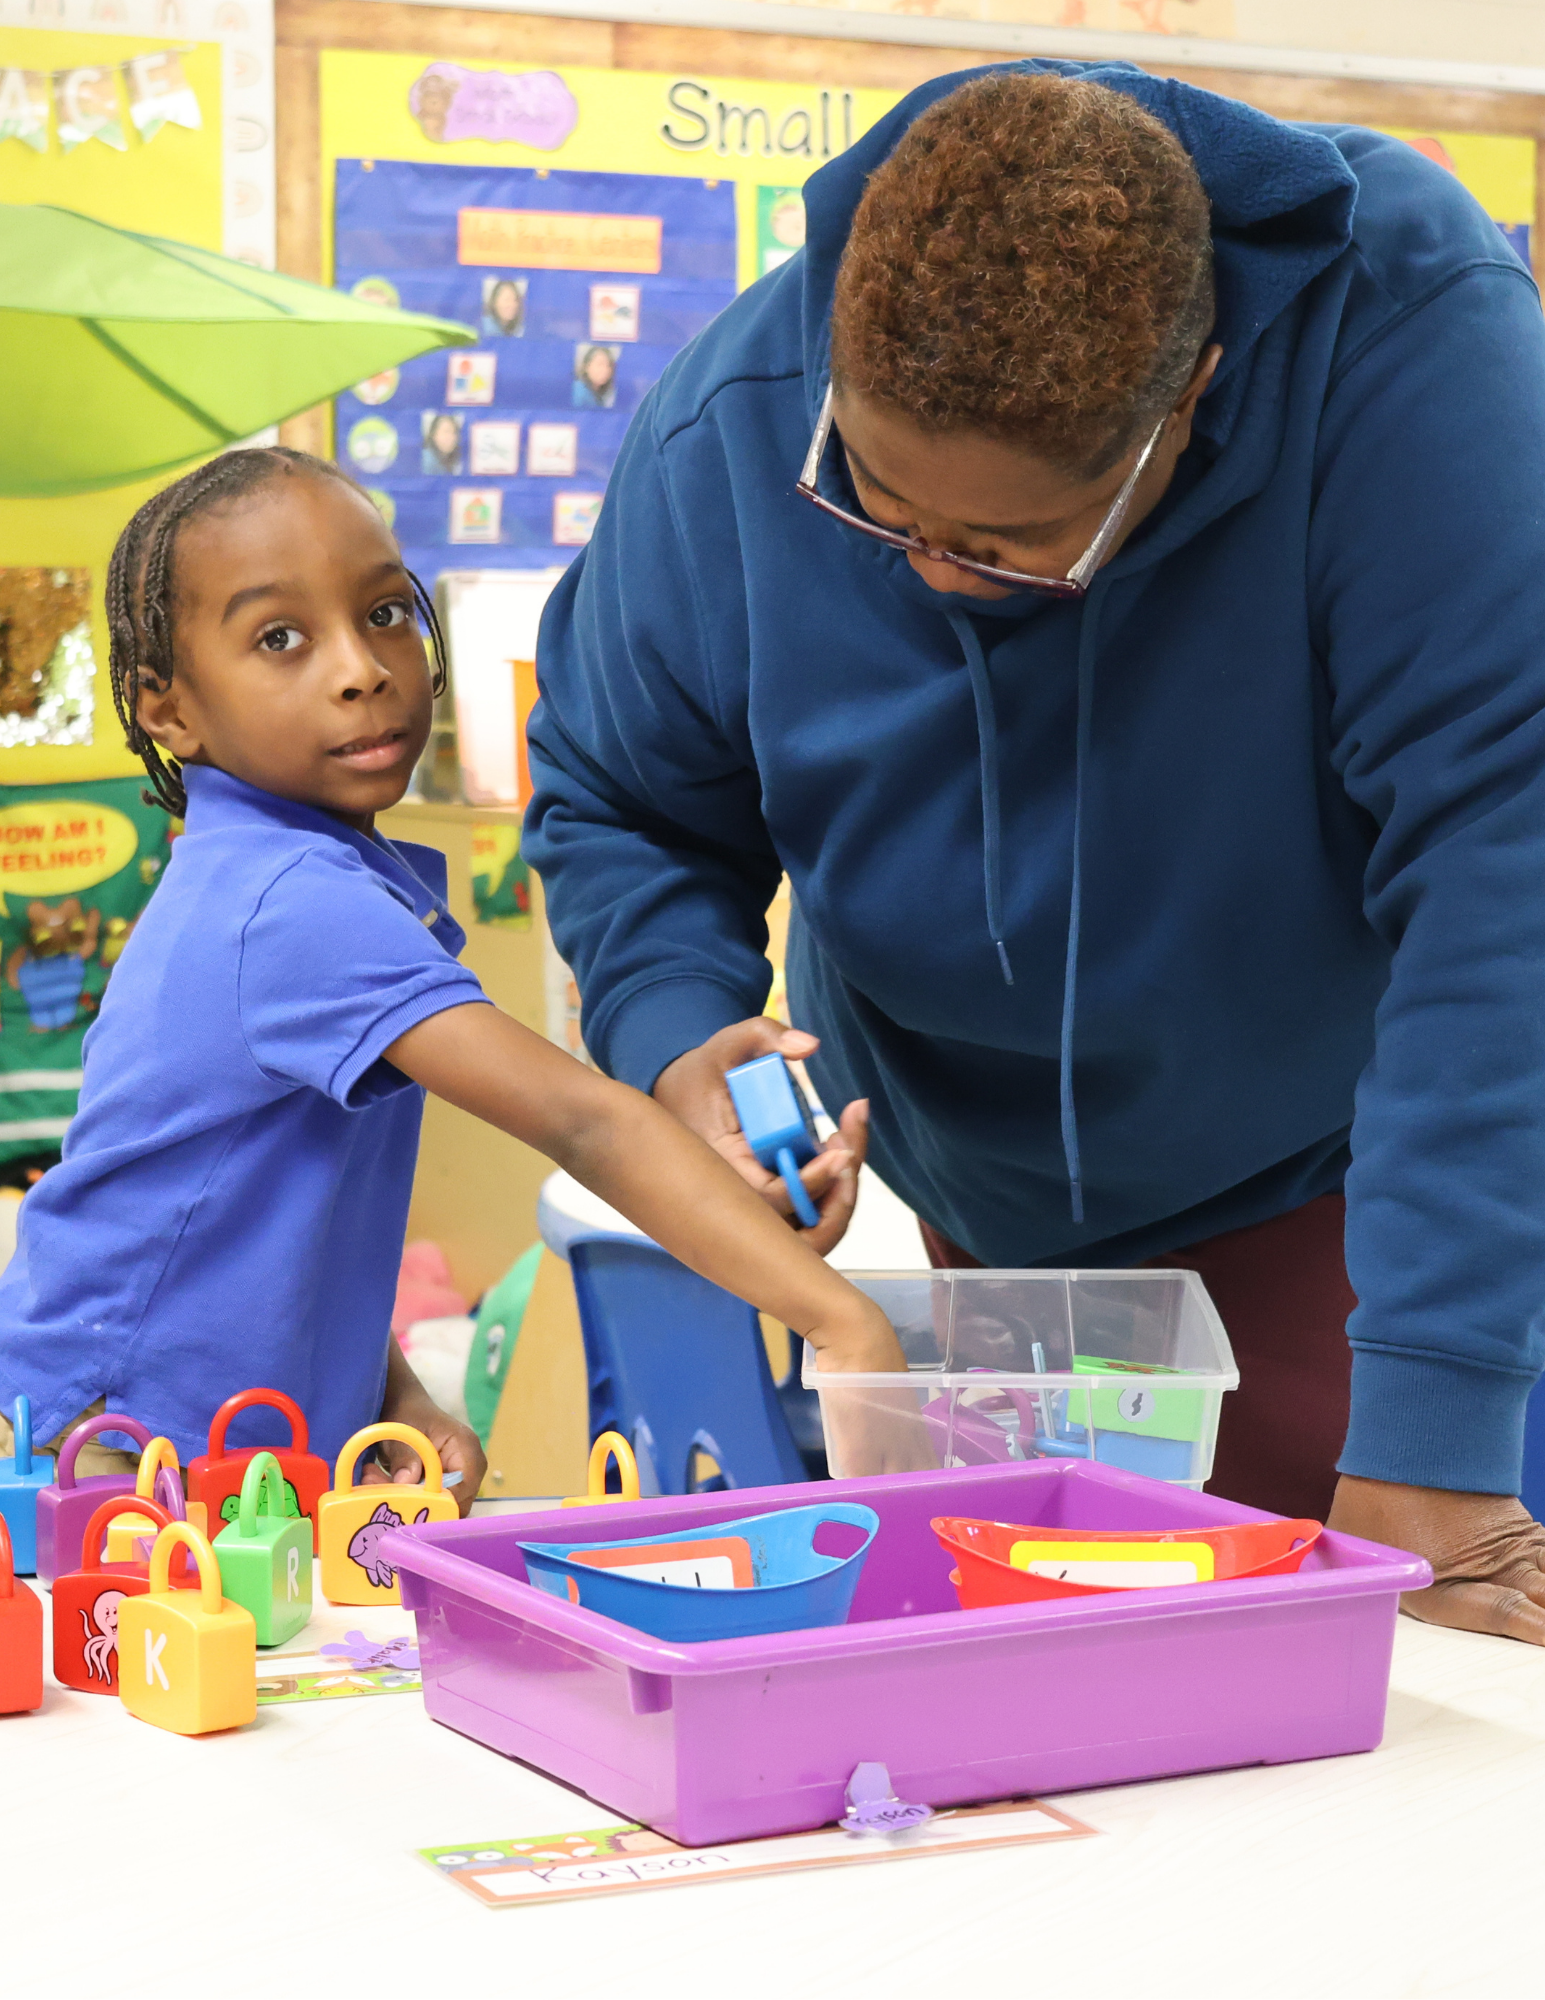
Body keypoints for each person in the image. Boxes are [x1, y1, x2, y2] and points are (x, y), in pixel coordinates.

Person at [528, 64, 1545, 1641]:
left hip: (1340, 1194)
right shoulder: (745, 404)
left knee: (1373, 1718)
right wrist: (675, 1033)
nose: (931, 574)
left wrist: (1433, 1426)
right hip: (962, 1210)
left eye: (1006, 551)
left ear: (1187, 401)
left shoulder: (1411, 352)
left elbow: (1506, 885)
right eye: (876, 507)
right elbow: (622, 796)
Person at [0, 448, 906, 1505]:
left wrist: (387, 1391)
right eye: (279, 638)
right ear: (170, 711)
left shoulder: (280, 872)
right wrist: (839, 1316)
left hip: (195, 1439)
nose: (362, 667)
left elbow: (251, 1215)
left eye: (387, 612)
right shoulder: (293, 898)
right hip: (105, 1446)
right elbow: (588, 1124)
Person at [572, 344, 618, 410]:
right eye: (600, 364)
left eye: (608, 365)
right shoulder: (578, 391)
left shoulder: (605, 394)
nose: (605, 370)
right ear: (586, 367)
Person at [421, 411, 462, 475]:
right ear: (434, 435)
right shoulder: (427, 462)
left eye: (454, 432)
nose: (451, 437)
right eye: (446, 432)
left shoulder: (453, 462)